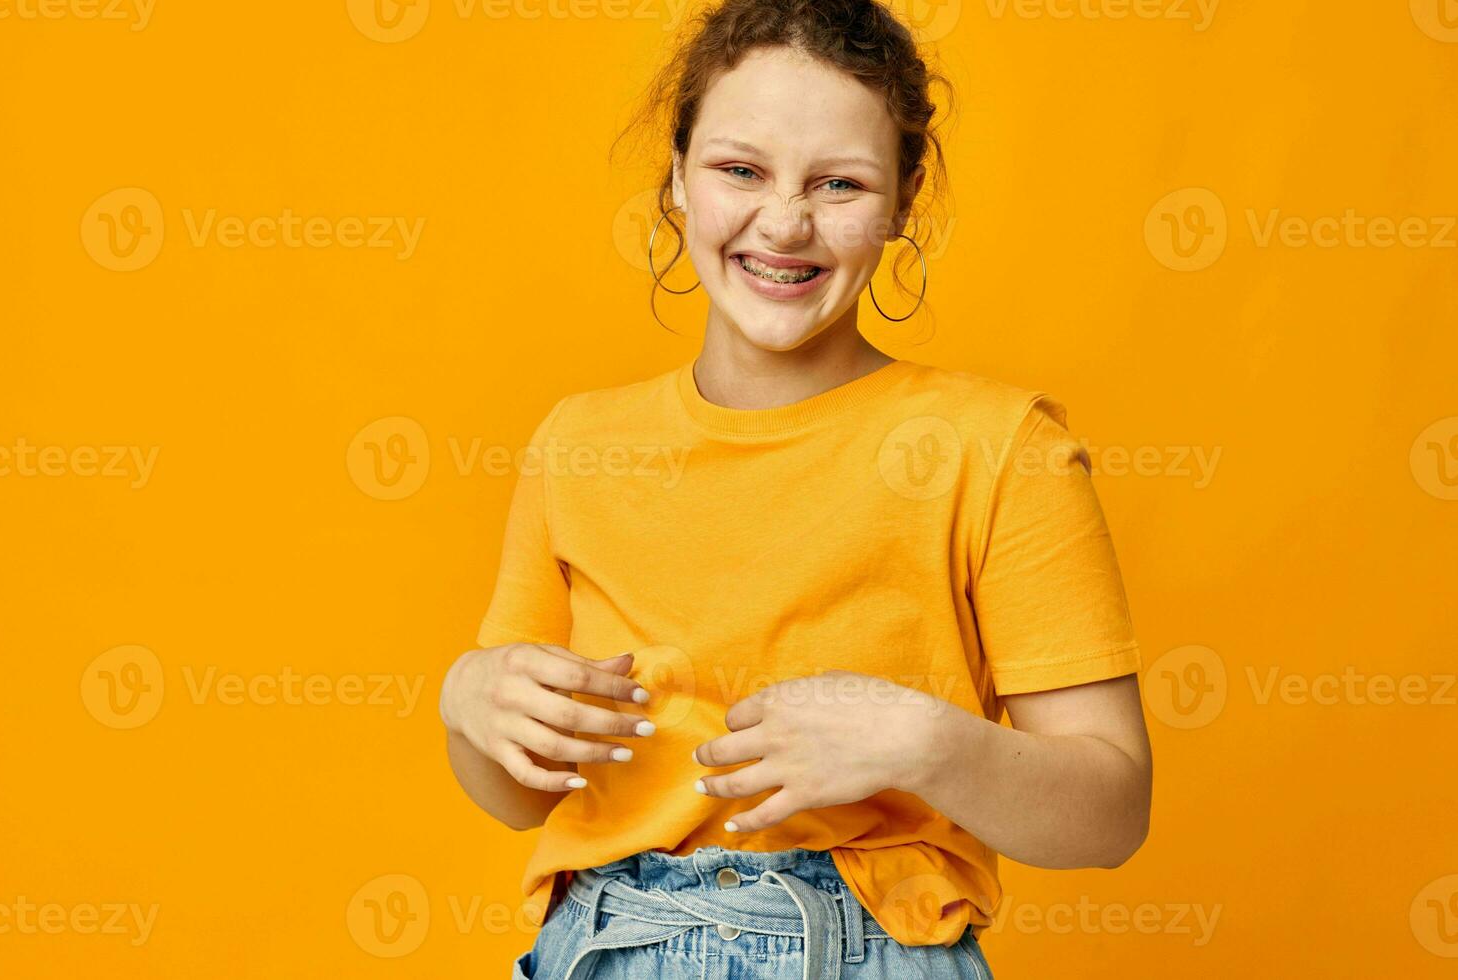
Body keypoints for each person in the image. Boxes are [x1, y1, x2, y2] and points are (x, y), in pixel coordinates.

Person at [440, 1, 1152, 976]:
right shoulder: (579, 444)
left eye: (839, 183)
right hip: (604, 944)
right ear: (678, 181)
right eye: (740, 169)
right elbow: (519, 788)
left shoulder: (1001, 448)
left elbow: (1111, 810)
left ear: (903, 200)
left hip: (867, 948)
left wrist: (923, 740)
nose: (784, 220)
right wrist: (468, 699)